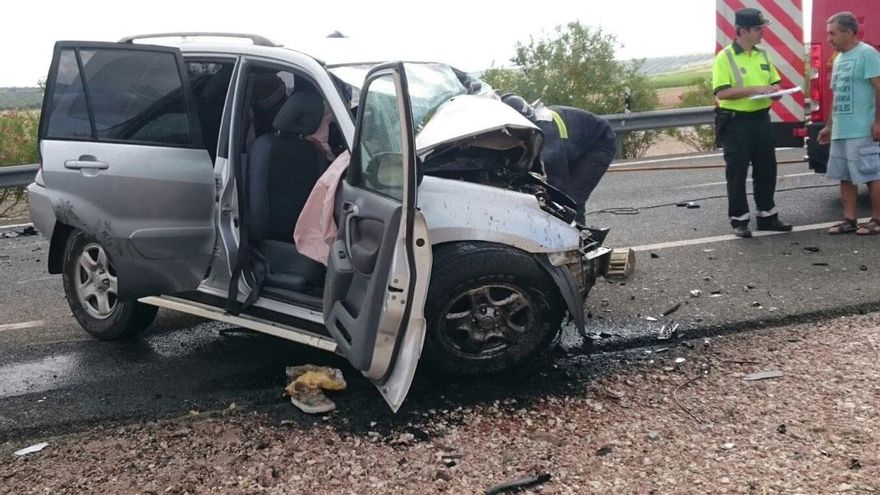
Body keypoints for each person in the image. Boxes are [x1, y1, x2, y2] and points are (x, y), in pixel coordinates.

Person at [712, 7, 793, 238]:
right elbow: (722, 92)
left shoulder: (763, 54)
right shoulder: (725, 57)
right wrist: (755, 89)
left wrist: (776, 91)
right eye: (758, 29)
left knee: (767, 169)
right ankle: (739, 220)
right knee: (737, 172)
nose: (762, 32)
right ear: (743, 31)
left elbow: (774, 82)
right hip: (736, 123)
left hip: (761, 119)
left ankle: (767, 216)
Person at [501, 94, 616, 224]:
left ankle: (576, 234)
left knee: (570, 199)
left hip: (599, 142)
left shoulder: (545, 133)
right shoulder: (530, 122)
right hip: (575, 146)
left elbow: (557, 178)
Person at [819, 11, 880, 235]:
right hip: (841, 129)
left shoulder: (868, 54)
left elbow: (879, 88)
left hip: (862, 128)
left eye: (832, 33)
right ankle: (849, 219)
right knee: (845, 176)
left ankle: (877, 219)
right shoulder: (838, 59)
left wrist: (878, 122)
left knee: (872, 174)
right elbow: (837, 96)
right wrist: (829, 126)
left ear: (848, 32)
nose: (829, 39)